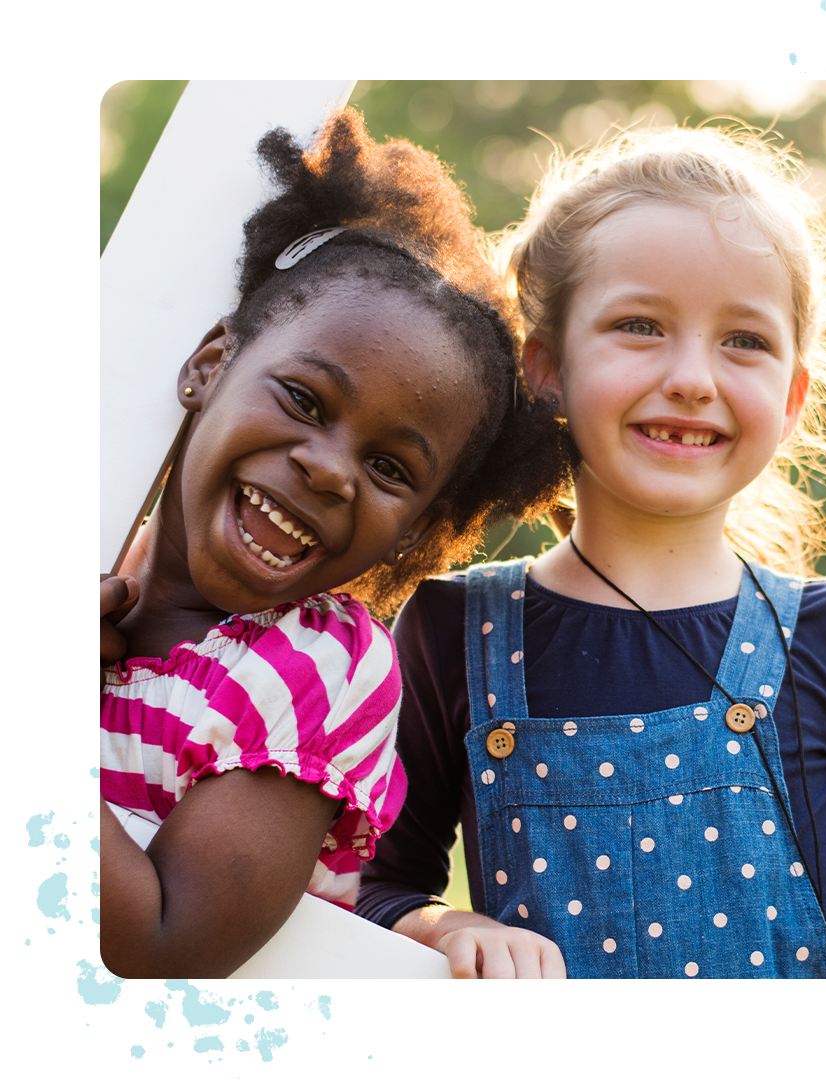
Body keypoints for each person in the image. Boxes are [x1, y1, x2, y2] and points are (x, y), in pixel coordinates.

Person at [355, 125, 826, 981]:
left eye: (743, 340)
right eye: (640, 325)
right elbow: (373, 887)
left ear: (789, 399)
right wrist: (438, 926)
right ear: (546, 366)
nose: (694, 378)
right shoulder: (451, 630)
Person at [98, 109, 573, 980]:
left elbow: (163, 945)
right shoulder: (86, 541)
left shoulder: (316, 665)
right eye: (306, 401)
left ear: (423, 531)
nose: (327, 470)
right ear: (210, 366)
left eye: (390, 467)